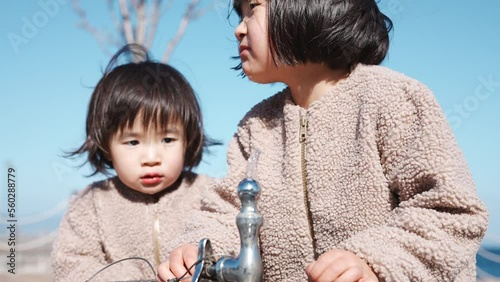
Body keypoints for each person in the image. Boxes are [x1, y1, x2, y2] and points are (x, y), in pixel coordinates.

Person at [157, 0, 489, 281]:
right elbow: (227, 210)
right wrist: (198, 249)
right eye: (240, 13)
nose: (238, 29)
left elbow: (450, 212)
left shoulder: (390, 98)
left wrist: (374, 262)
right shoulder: (255, 127)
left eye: (253, 8)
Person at [51, 44, 220, 281]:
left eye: (167, 139)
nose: (151, 158)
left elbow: (228, 242)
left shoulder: (210, 195)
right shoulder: (90, 204)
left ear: (188, 139)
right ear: (106, 146)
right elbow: (72, 266)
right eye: (132, 142)